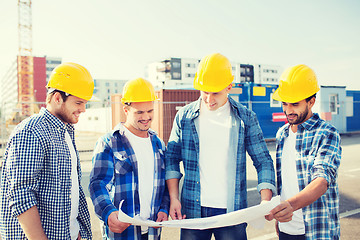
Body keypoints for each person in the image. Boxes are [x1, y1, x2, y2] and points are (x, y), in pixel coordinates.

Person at [165, 53, 276, 240]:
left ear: (229, 87)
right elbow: (171, 159)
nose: (209, 99)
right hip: (193, 210)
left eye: (215, 92)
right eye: (204, 92)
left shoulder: (245, 118)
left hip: (232, 213)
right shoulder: (184, 117)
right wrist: (174, 198)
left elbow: (263, 160)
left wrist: (266, 199)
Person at [0, 62, 93, 239]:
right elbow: (21, 195)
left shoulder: (65, 131)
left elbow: (70, 190)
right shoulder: (31, 131)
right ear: (57, 98)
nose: (83, 109)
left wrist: (77, 232)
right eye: (79, 102)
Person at [266, 64, 341, 239]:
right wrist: (280, 217)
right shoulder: (282, 134)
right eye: (284, 103)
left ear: (311, 102)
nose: (288, 110)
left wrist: (290, 205)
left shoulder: (327, 133)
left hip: (316, 230)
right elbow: (285, 183)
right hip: (286, 229)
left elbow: (322, 180)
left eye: (295, 104)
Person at [89, 78, 170, 240]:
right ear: (126, 109)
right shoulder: (109, 143)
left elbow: (165, 185)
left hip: (153, 233)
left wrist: (164, 209)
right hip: (122, 234)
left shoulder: (159, 145)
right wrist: (108, 212)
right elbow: (98, 184)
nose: (146, 117)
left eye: (150, 111)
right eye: (139, 112)